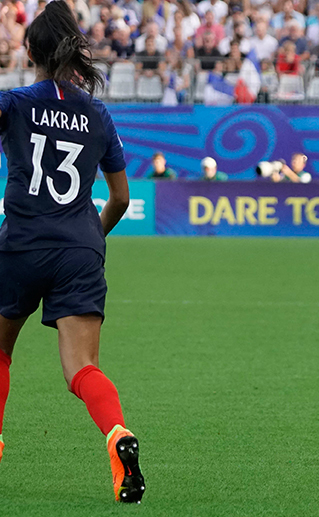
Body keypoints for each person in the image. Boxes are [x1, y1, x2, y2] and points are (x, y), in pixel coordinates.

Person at [0, 1, 145, 502]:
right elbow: (121, 198)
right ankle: (118, 435)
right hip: (80, 248)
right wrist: (91, 240)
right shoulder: (98, 112)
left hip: (20, 244)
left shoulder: (15, 102)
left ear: (31, 51)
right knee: (82, 368)